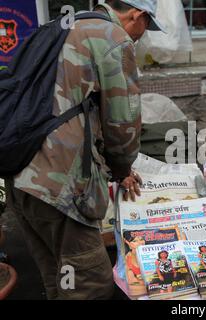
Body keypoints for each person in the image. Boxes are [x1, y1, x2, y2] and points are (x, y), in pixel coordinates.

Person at [4, 0, 165, 300]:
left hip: (22, 176)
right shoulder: (113, 39)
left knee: (58, 278)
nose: (144, 34)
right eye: (147, 26)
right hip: (60, 185)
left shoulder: (60, 26)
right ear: (137, 15)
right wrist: (122, 169)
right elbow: (123, 122)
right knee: (91, 283)